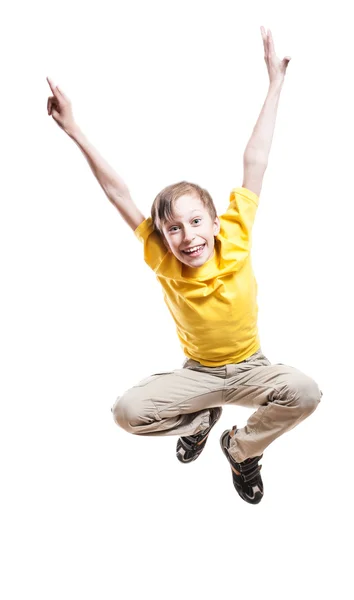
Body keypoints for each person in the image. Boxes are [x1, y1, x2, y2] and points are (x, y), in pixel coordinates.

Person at [47, 26, 322, 505]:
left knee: (306, 392)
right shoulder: (160, 255)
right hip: (199, 374)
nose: (187, 235)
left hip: (251, 367)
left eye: (195, 221)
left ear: (215, 223)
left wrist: (275, 83)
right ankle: (200, 421)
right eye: (172, 227)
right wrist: (74, 130)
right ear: (162, 236)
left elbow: (255, 158)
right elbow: (118, 192)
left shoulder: (236, 234)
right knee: (127, 413)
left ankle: (241, 449)